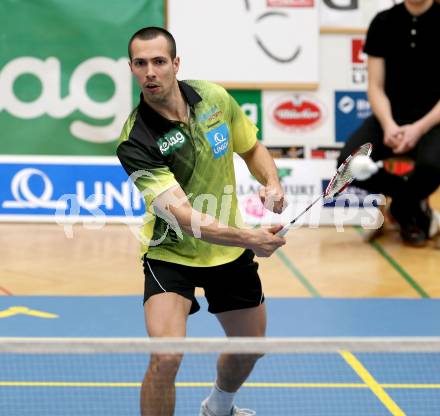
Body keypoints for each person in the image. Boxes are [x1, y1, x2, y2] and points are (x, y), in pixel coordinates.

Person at [116, 27, 287, 416]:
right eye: (140, 64)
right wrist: (249, 237)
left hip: (228, 254)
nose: (150, 72)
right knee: (166, 357)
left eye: (159, 61)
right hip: (170, 251)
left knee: (251, 347)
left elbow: (252, 147)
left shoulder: (213, 98)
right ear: (132, 69)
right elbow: (181, 215)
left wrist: (272, 182)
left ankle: (219, 406)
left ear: (176, 64)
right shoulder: (136, 139)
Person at [337, 0, 440, 246]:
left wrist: (418, 128)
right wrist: (389, 124)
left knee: (432, 167)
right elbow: (375, 86)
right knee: (348, 164)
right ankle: (411, 206)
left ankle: (404, 209)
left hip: (434, 118)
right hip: (389, 117)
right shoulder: (384, 21)